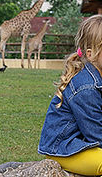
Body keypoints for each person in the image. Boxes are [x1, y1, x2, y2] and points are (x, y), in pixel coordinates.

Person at [38, 15, 102, 176]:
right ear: (91, 54)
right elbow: (97, 135)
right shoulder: (86, 88)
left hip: (84, 142)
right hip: (64, 148)